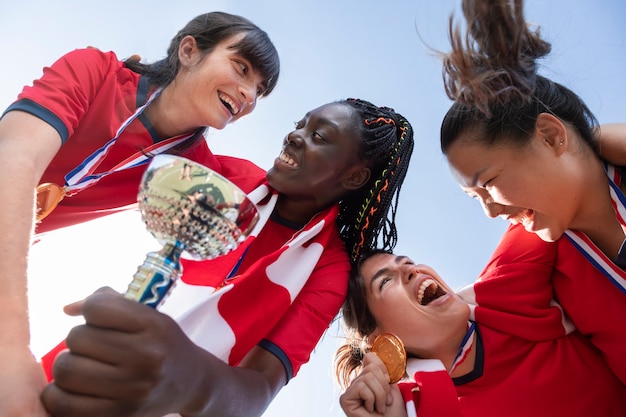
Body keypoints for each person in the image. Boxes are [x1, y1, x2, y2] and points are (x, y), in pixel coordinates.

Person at [40, 98, 415, 417]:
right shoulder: (227, 177)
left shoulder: (328, 271)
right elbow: (135, 145)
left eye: (318, 136)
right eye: (299, 126)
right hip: (78, 361)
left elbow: (260, 388)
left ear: (354, 177)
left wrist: (185, 375)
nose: (294, 136)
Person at [0, 11, 280, 417]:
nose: (249, 97)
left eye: (260, 89)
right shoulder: (97, 70)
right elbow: (15, 157)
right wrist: (10, 347)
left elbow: (286, 193)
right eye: (241, 68)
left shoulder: (195, 172)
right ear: (189, 50)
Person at [435, 0, 626, 384]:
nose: (490, 212)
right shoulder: (546, 261)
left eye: (488, 184)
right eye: (476, 199)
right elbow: (448, 316)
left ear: (552, 135)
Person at [334, 244, 626, 417]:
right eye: (385, 282)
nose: (412, 270)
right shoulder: (413, 409)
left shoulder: (506, 285)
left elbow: (570, 182)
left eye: (408, 262)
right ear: (379, 341)